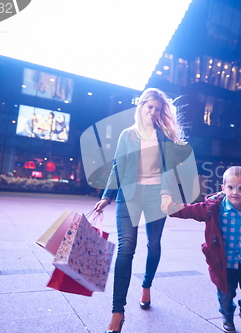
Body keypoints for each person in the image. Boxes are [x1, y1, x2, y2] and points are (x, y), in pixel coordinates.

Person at [94, 88, 184, 333]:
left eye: (157, 109)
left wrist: (167, 195)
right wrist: (107, 196)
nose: (153, 112)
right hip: (130, 196)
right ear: (141, 106)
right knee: (126, 250)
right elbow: (117, 167)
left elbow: (169, 170)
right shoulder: (127, 135)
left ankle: (146, 285)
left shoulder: (164, 136)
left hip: (158, 196)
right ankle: (117, 312)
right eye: (150, 107)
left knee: (154, 245)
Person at [164, 166, 241, 333]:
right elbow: (190, 210)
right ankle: (227, 316)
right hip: (223, 263)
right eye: (231, 187)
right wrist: (172, 208)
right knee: (226, 296)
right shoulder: (213, 208)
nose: (235, 192)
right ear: (223, 188)